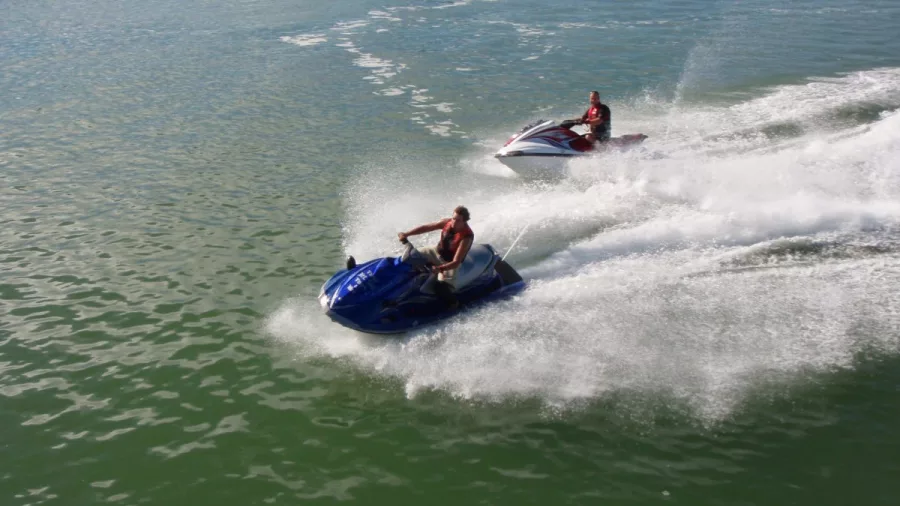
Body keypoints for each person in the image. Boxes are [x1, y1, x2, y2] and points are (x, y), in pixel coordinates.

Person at [397, 206, 474, 309]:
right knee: (411, 257)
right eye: (453, 218)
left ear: (464, 221)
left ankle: (454, 304)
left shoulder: (466, 237)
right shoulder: (447, 223)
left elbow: (456, 262)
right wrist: (407, 234)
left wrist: (440, 268)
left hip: (449, 263)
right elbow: (426, 227)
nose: (454, 222)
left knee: (440, 287)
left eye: (458, 220)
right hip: (435, 252)